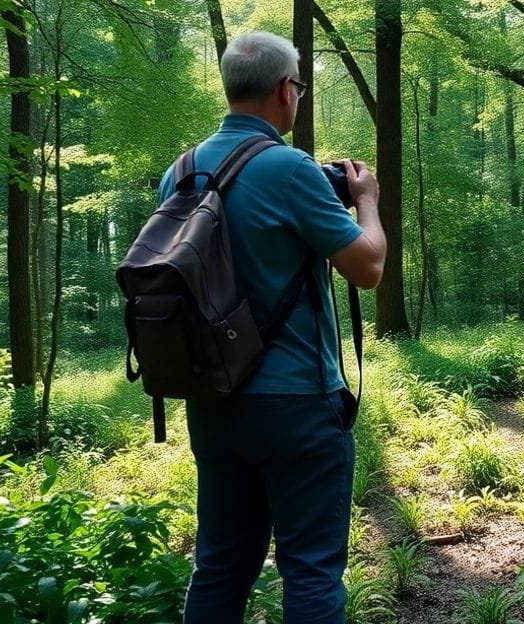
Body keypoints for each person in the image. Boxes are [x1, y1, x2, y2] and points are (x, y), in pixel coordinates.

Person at [157, 31, 386, 624]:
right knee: (310, 570)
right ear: (287, 90)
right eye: (301, 88)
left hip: (212, 400)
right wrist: (365, 201)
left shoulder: (179, 172)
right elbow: (368, 268)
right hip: (297, 407)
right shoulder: (289, 169)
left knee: (220, 566)